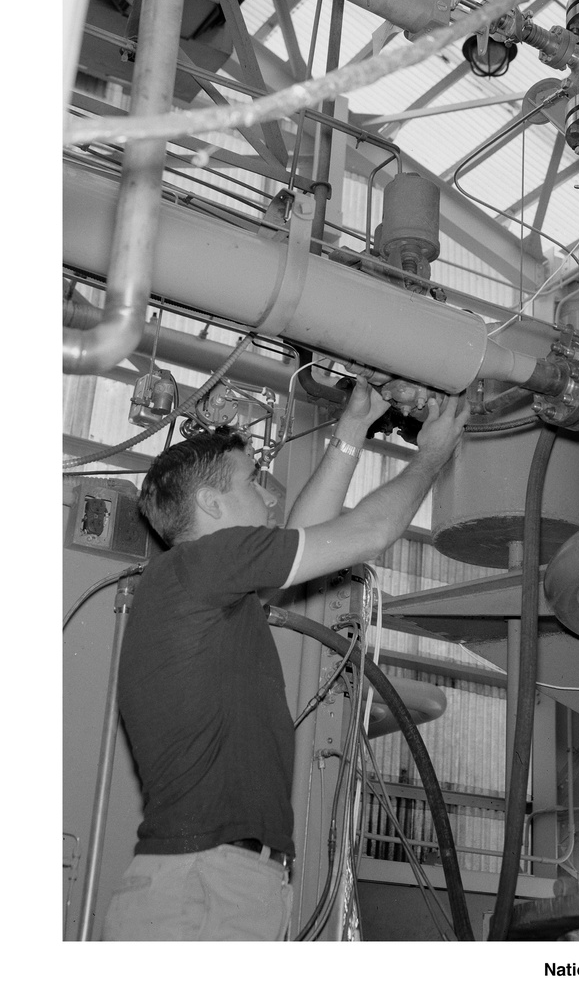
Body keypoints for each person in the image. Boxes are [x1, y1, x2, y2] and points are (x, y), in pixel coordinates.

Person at [102, 378, 468, 941]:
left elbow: (304, 535)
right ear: (209, 502)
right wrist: (432, 458)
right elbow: (365, 535)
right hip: (205, 889)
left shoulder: (201, 586)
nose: (270, 496)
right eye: (254, 482)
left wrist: (351, 429)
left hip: (210, 882)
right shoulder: (205, 565)